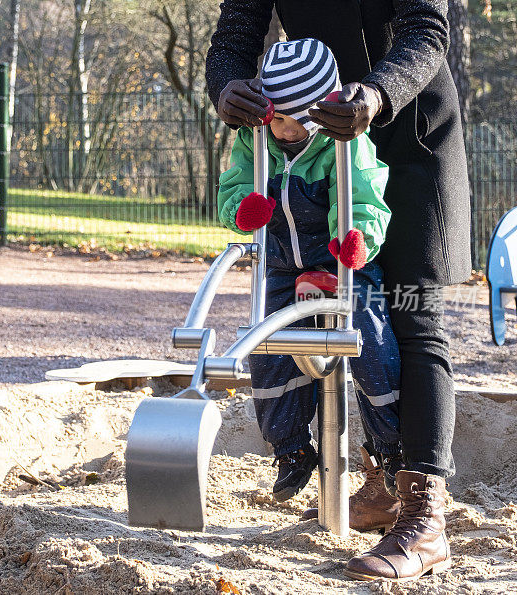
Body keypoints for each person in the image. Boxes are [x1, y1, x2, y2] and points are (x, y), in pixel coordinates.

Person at [205, 0, 471, 582]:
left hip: (408, 131)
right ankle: (378, 487)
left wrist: (375, 94)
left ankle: (425, 513)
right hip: (308, 135)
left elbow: (427, 29)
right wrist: (227, 88)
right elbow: (234, 36)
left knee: (410, 315)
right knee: (332, 317)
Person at [218, 39, 402, 511]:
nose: (283, 131)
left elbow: (364, 198)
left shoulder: (345, 144)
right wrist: (243, 211)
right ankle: (291, 450)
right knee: (267, 347)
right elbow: (234, 187)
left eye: (294, 121)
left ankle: (388, 447)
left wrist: (355, 240)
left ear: (320, 114)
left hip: (339, 259)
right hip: (281, 262)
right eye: (275, 120)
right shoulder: (254, 141)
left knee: (371, 339)